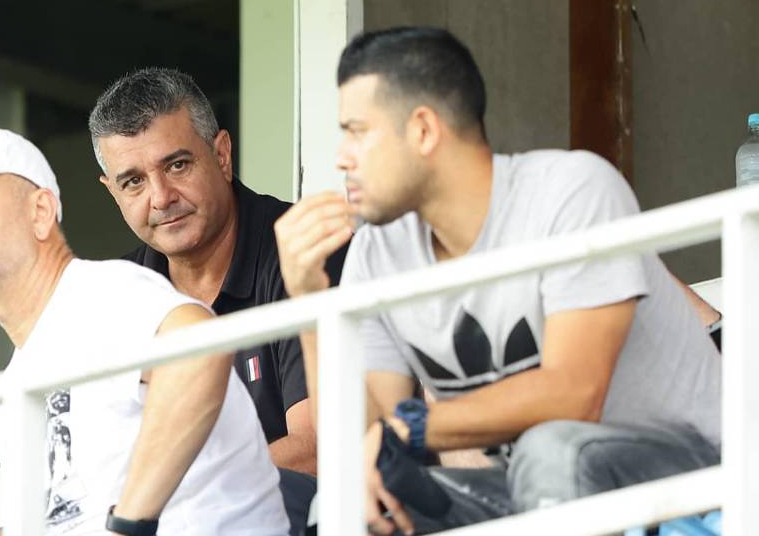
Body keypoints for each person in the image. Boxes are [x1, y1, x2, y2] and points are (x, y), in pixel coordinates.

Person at [274, 27, 722, 534]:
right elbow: (364, 446)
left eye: (356, 131)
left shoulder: (570, 190)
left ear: (422, 130)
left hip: (694, 480)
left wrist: (413, 428)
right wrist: (312, 304)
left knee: (551, 451)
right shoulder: (379, 251)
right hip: (531, 496)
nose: (341, 157)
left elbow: (575, 393)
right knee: (348, 503)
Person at [0, 127, 289, 536]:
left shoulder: (101, 294)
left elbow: (199, 352)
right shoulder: (20, 381)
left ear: (40, 212)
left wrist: (127, 523)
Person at [88, 68, 345, 529]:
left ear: (222, 155)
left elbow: (318, 448)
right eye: (133, 182)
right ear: (113, 194)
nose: (161, 197)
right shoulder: (112, 300)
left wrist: (163, 506)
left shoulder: (300, 253)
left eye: (177, 165)